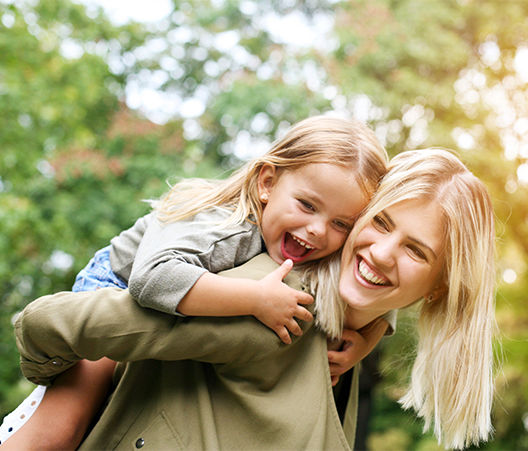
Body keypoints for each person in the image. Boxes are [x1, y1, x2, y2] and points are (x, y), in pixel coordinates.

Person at [10, 148, 496, 450]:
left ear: (439, 287)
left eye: (415, 250)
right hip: (124, 277)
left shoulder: (346, 339)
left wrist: (371, 334)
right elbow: (53, 322)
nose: (383, 253)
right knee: (53, 433)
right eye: (382, 223)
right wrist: (52, 368)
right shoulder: (273, 302)